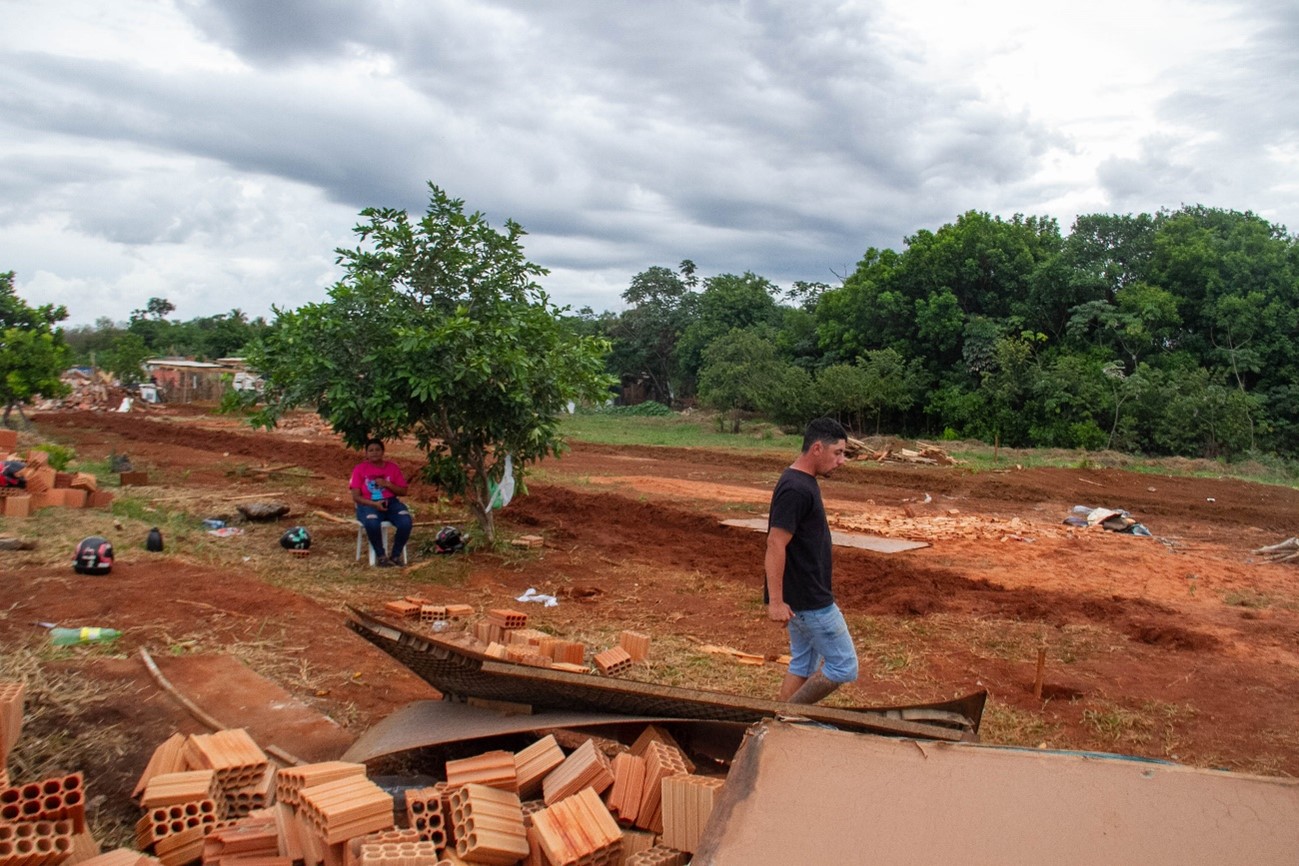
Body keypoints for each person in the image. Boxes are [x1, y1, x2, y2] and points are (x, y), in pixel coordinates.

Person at [765, 417, 858, 705]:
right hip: (811, 602)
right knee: (844, 666)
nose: (842, 461)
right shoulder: (796, 488)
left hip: (801, 599)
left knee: (803, 665)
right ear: (817, 448)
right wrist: (776, 602)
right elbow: (775, 543)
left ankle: (779, 724)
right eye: (838, 453)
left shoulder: (803, 481)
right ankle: (789, 716)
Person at [350, 438, 413, 567]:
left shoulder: (392, 468)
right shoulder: (360, 469)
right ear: (366, 453)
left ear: (383, 452)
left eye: (377, 449)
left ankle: (395, 555)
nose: (374, 453)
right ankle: (381, 556)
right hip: (368, 504)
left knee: (406, 521)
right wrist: (374, 504)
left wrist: (387, 484)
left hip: (391, 503)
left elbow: (403, 491)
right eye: (371, 450)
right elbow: (356, 496)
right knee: (372, 522)